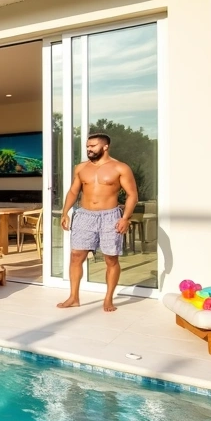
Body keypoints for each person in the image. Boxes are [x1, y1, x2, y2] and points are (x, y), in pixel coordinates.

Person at [57, 133, 139, 312]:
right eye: (87, 146)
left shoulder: (120, 168)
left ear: (105, 147)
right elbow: (73, 191)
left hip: (110, 216)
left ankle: (108, 299)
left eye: (93, 146)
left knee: (111, 258)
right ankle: (74, 297)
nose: (89, 149)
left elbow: (132, 194)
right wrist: (65, 212)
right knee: (76, 256)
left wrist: (125, 218)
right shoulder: (81, 168)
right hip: (84, 215)